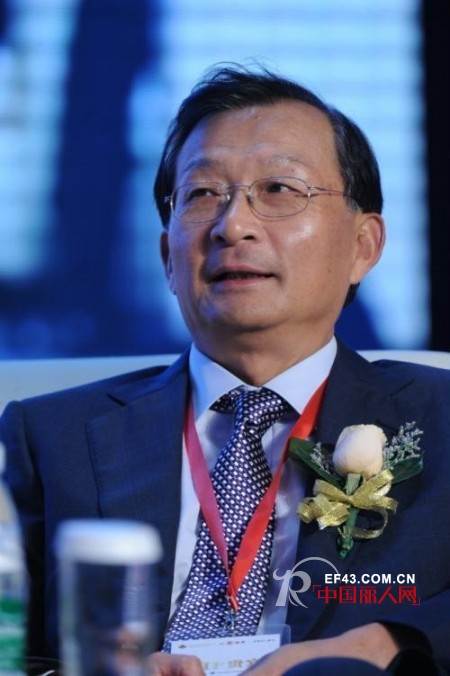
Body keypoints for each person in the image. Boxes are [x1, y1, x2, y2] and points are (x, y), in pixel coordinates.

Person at [1, 64, 449, 676]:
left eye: (280, 189)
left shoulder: (440, 417)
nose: (232, 225)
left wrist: (384, 643)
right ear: (167, 256)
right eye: (203, 194)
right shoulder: (51, 439)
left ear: (363, 246)